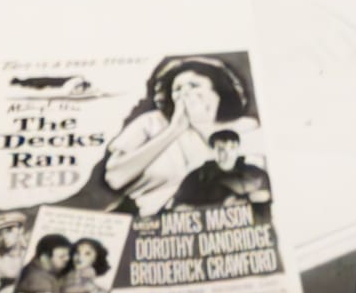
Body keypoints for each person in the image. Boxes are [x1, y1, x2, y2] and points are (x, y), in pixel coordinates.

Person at [101, 57, 259, 216]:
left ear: (217, 91)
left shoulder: (246, 128)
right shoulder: (151, 123)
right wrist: (173, 131)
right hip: (144, 216)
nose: (184, 93)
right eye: (177, 89)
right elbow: (115, 178)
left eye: (194, 85)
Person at [164, 128, 272, 210]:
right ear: (212, 151)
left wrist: (248, 200)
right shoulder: (196, 177)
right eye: (221, 149)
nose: (227, 154)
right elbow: (177, 207)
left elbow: (270, 201)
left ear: (238, 149)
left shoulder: (257, 174)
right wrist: (219, 206)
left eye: (232, 148)